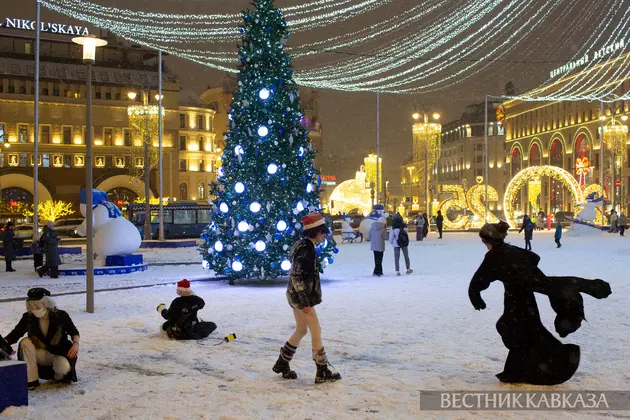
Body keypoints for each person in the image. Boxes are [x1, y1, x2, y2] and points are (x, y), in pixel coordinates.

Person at [469, 221, 611, 385]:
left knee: (518, 330)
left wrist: (475, 294)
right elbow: (535, 267)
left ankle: (550, 363)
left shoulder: (495, 256)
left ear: (487, 241)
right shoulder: (513, 252)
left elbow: (480, 278)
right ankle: (518, 370)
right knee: (522, 329)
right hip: (523, 298)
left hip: (517, 298)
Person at [273, 212, 341, 384]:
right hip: (301, 298)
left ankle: (282, 363)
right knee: (316, 330)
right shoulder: (306, 250)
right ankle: (322, 369)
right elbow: (297, 276)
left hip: (295, 296)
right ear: (315, 231)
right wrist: (305, 301)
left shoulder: (305, 246)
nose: (324, 235)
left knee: (302, 330)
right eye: (322, 231)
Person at [4, 288, 80, 390]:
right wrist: (4, 343)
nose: (34, 309)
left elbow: (73, 331)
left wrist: (76, 343)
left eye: (37, 306)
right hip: (38, 353)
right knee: (25, 342)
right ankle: (31, 380)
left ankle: (59, 376)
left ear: (47, 303)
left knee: (63, 368)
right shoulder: (28, 317)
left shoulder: (61, 315)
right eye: (31, 306)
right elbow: (16, 333)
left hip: (57, 353)